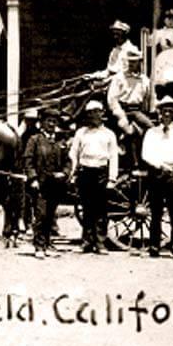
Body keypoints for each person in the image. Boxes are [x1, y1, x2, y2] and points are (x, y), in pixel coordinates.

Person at [140, 96, 173, 258]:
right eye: (164, 111)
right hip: (156, 173)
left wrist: (170, 166)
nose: (167, 115)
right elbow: (146, 154)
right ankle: (154, 246)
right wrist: (160, 165)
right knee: (155, 212)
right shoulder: (151, 133)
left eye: (170, 111)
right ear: (159, 113)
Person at [69, 100, 120, 254]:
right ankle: (86, 241)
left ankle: (100, 242)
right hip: (85, 172)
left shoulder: (109, 134)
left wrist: (112, 178)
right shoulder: (81, 133)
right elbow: (73, 154)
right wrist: (72, 173)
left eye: (97, 112)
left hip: (101, 172)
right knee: (87, 208)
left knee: (101, 209)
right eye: (91, 112)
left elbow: (113, 156)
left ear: (102, 113)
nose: (94, 115)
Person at [23, 107, 69, 259]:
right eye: (48, 121)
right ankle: (39, 245)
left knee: (50, 215)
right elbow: (28, 161)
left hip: (55, 185)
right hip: (40, 184)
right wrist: (33, 178)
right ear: (41, 123)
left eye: (53, 121)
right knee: (41, 214)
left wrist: (64, 173)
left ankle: (48, 243)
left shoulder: (60, 142)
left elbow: (68, 161)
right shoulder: (34, 140)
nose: (51, 124)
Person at [108, 46, 155, 163]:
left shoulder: (144, 80)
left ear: (140, 62)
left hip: (137, 111)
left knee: (151, 130)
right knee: (124, 133)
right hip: (122, 110)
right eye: (130, 61)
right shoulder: (119, 78)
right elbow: (112, 99)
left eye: (134, 62)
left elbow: (150, 98)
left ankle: (142, 160)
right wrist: (121, 116)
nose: (131, 64)